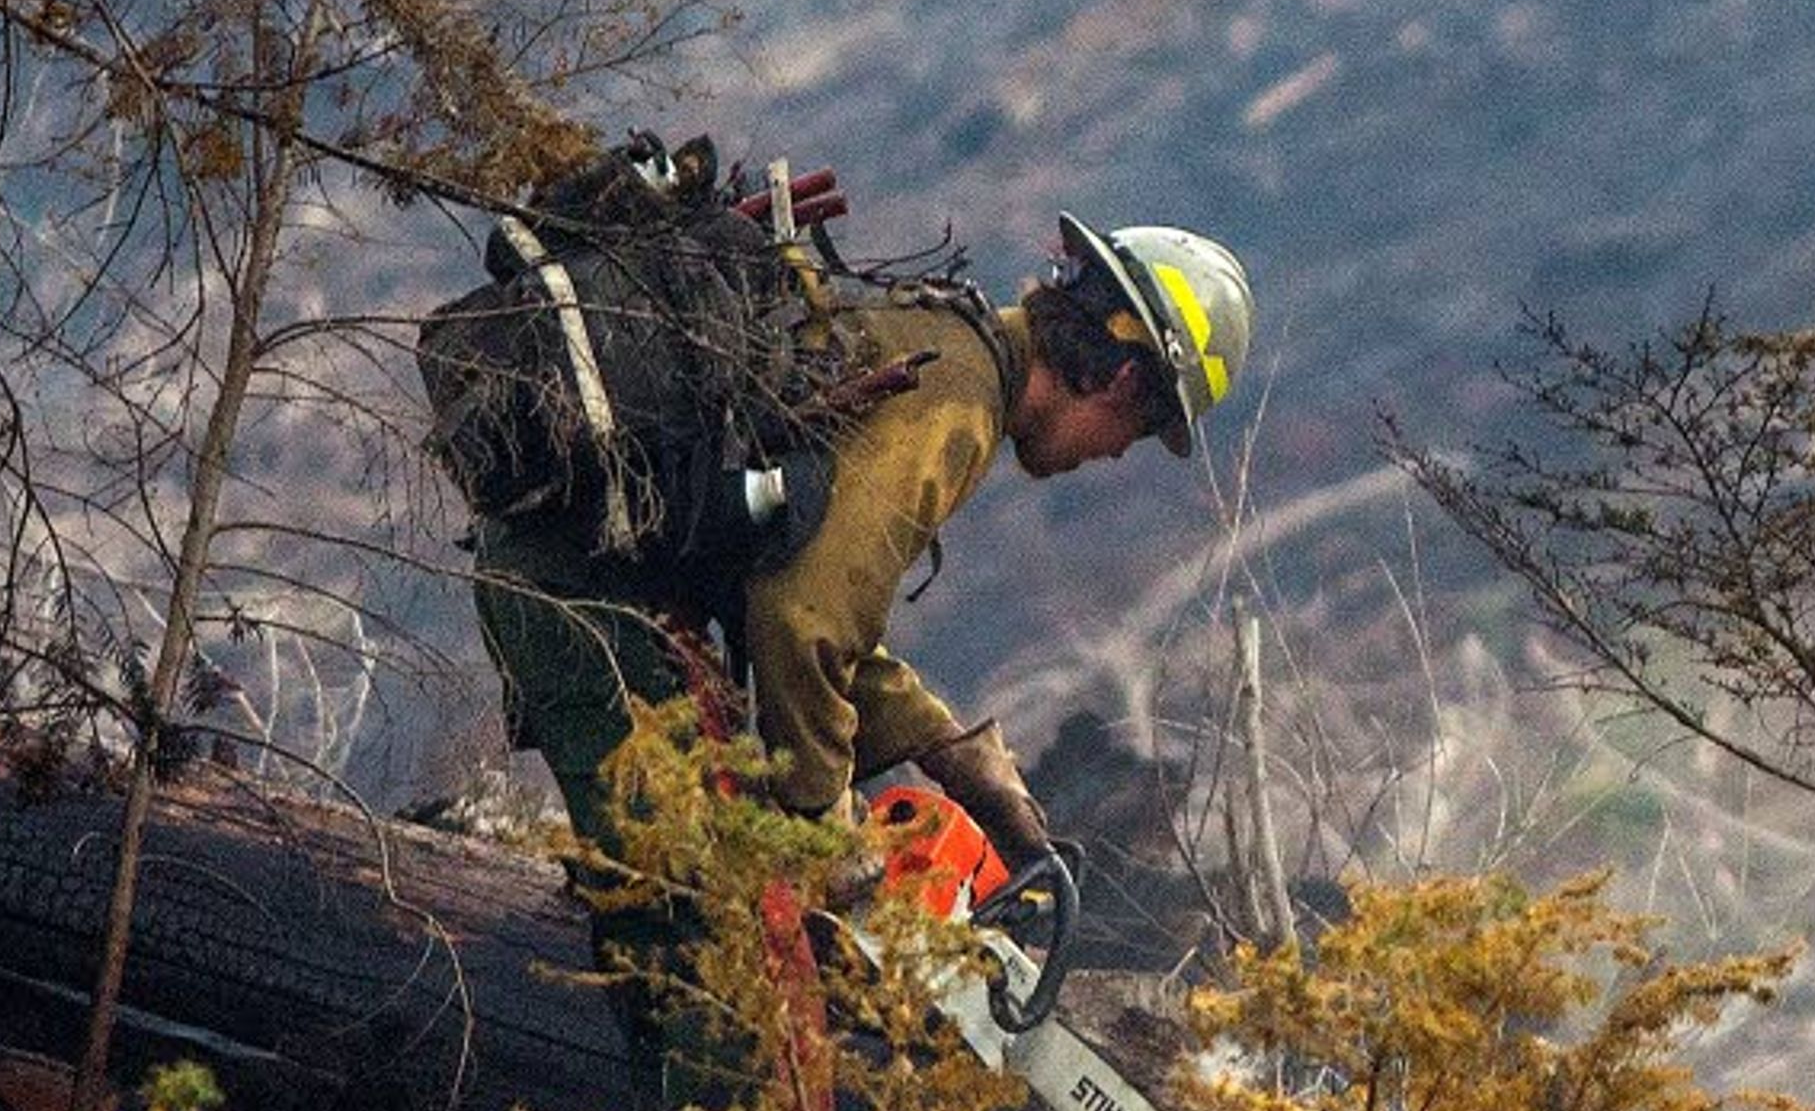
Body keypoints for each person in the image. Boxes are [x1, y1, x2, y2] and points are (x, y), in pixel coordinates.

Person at [468, 208, 1254, 886]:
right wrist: (819, 822)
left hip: (588, 589)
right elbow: (802, 617)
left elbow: (810, 597)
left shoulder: (949, 353)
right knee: (692, 951)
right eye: (1145, 431)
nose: (1119, 454)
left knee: (694, 921)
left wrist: (946, 750)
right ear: (1124, 383)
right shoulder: (957, 407)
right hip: (582, 599)